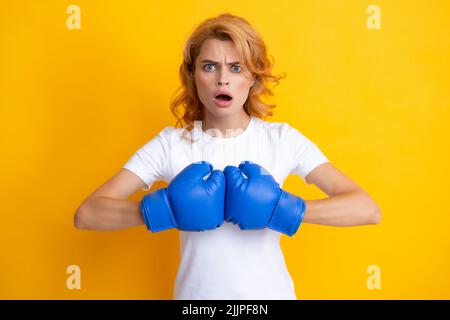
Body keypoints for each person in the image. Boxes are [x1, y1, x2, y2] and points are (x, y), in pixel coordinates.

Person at [74, 13, 381, 300]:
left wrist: (284, 208)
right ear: (193, 76)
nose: (223, 79)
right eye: (209, 66)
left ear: (253, 78)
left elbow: (366, 209)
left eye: (236, 68)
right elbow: (88, 215)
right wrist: (163, 208)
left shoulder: (281, 140)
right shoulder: (171, 144)